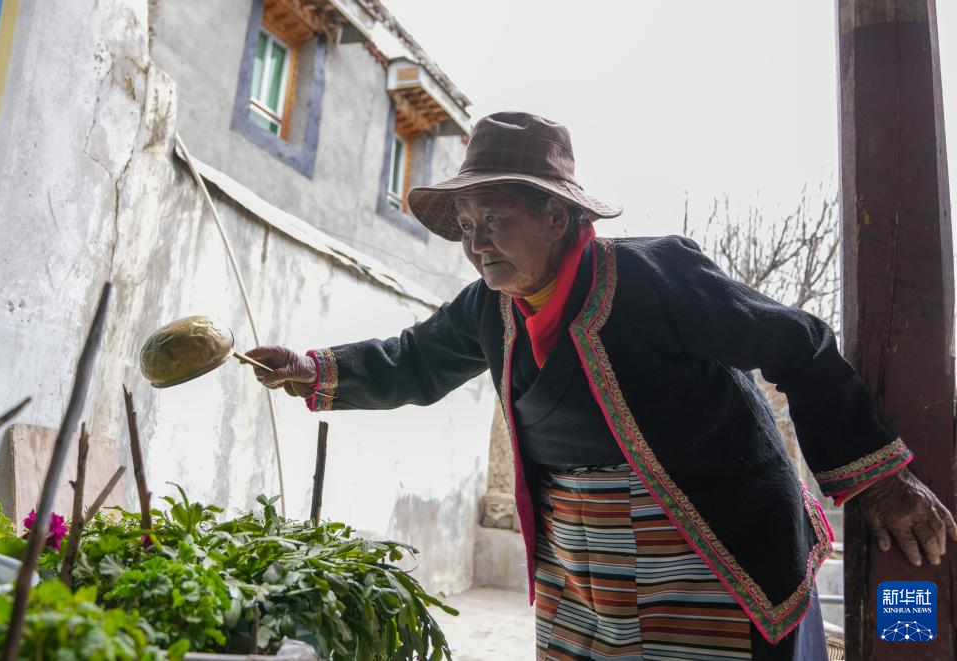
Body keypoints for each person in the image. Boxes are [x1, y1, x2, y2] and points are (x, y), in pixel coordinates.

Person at [246, 112, 957, 661]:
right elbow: (412, 361)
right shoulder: (486, 307)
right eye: (465, 227)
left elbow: (796, 340)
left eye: (493, 220)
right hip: (583, 562)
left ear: (556, 215)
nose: (477, 243)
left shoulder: (654, 276)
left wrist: (873, 478)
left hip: (705, 540)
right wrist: (312, 369)